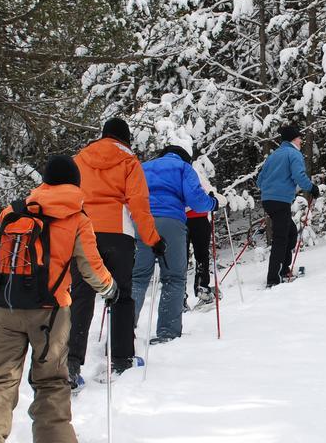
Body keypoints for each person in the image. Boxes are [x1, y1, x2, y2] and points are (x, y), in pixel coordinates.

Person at [0, 156, 117, 443]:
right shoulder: (77, 217)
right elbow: (91, 266)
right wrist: (111, 289)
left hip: (1, 310)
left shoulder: (15, 210)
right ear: (75, 183)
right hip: (50, 313)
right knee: (51, 379)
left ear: (45, 180)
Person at [69, 118, 163, 384]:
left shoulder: (80, 159)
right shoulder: (129, 161)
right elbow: (138, 202)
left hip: (84, 232)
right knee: (121, 294)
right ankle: (122, 358)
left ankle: (71, 363)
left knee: (81, 295)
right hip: (118, 232)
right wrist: (153, 239)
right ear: (126, 138)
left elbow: (70, 195)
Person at [133, 142, 217, 343]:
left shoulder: (143, 167)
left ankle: (124, 329)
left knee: (137, 277)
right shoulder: (183, 168)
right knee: (174, 278)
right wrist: (212, 203)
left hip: (142, 222)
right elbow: (196, 200)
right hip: (171, 222)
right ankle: (167, 332)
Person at [256, 124, 319, 287]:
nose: (300, 141)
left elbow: (259, 180)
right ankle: (274, 278)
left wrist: (271, 189)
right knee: (281, 237)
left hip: (269, 200)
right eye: (299, 138)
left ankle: (283, 269)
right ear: (293, 139)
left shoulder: (274, 155)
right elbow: (299, 175)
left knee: (290, 232)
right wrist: (312, 188)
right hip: (280, 200)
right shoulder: (293, 154)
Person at [185, 156, 217, 308]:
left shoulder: (176, 175)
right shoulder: (192, 173)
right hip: (198, 218)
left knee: (181, 259)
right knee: (202, 255)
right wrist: (214, 201)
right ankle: (202, 289)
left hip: (180, 220)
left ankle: (180, 297)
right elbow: (208, 192)